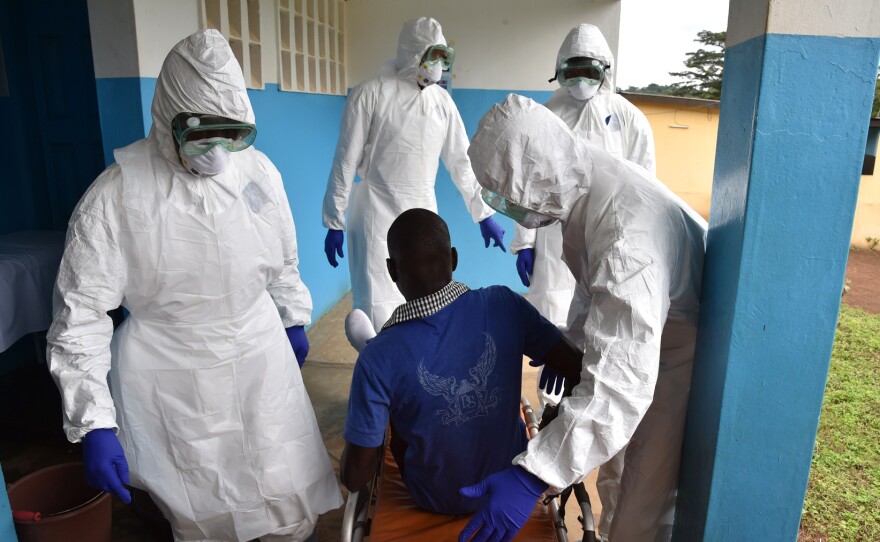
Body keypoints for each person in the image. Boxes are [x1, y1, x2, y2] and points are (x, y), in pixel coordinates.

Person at [47, 29, 341, 542]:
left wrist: (292, 315)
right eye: (203, 136)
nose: (218, 153)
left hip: (259, 357)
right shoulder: (115, 197)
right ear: (169, 121)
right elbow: (80, 314)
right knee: (195, 508)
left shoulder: (256, 173)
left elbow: (283, 255)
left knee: (284, 494)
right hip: (170, 374)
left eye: (231, 135)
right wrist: (93, 420)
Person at [460, 95, 706, 542]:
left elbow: (621, 384)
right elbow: (595, 288)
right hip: (651, 335)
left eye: (505, 196)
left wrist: (534, 474)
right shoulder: (584, 176)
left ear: (538, 180)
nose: (503, 206)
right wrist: (573, 344)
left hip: (673, 358)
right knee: (610, 470)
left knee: (640, 501)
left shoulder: (627, 237)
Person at [338, 208, 582, 516]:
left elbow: (355, 477)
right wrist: (551, 422)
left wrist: (360, 428)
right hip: (511, 482)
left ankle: (371, 352)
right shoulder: (504, 304)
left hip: (434, 498)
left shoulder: (377, 360)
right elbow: (578, 366)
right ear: (453, 258)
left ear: (391, 271)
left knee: (390, 390)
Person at [322, 17, 506, 332]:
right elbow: (345, 161)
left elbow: (462, 162)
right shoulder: (371, 94)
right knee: (377, 307)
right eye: (430, 56)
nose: (436, 65)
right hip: (375, 213)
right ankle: (380, 375)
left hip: (423, 212)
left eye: (441, 58)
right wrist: (334, 220)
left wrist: (483, 213)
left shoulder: (442, 103)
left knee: (426, 303)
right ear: (411, 54)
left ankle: (418, 377)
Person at [515, 23, 656, 409]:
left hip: (610, 237)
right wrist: (524, 241)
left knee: (599, 326)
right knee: (552, 321)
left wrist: (636, 245)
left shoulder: (628, 118)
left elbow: (645, 187)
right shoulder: (547, 113)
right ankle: (549, 411)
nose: (579, 81)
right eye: (570, 71)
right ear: (559, 69)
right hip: (554, 235)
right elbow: (526, 180)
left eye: (588, 71)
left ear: (605, 71)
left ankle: (582, 409)